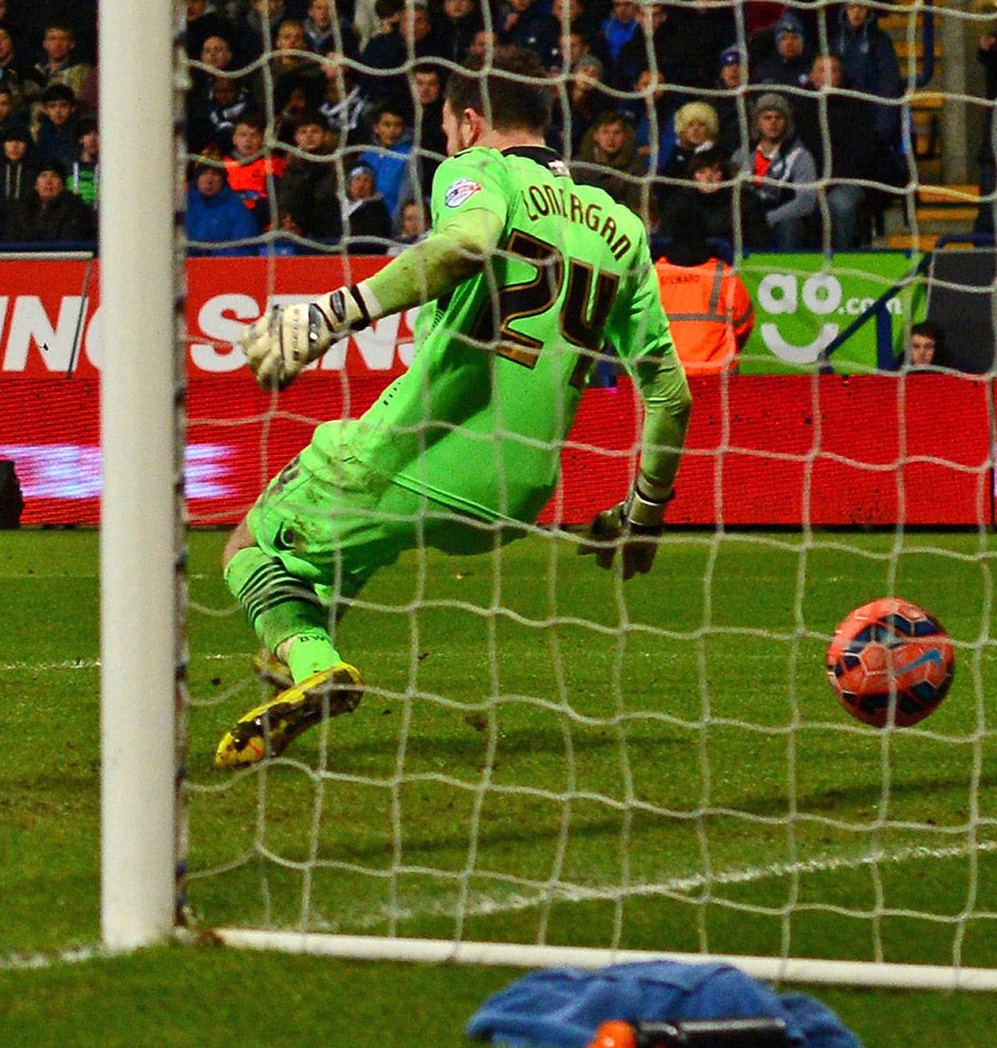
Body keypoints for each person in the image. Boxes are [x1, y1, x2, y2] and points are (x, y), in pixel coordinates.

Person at [216, 49, 692, 769]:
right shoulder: (620, 226)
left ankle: (313, 664)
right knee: (343, 552)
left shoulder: (478, 170)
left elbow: (464, 245)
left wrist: (327, 317)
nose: (444, 141)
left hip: (425, 445)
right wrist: (639, 520)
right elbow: (671, 394)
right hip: (518, 496)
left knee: (246, 546)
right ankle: (295, 665)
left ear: (469, 121)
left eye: (444, 125)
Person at [655, 238, 755, 376]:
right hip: (719, 374)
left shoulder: (653, 275)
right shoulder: (723, 275)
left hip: (668, 376)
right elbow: (744, 324)